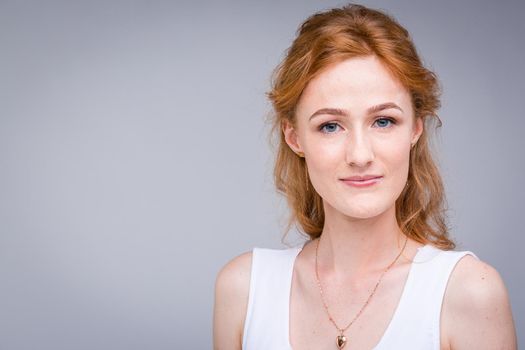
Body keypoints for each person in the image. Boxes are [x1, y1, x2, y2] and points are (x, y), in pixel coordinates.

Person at [213, 4, 517, 350]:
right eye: (330, 126)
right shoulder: (243, 289)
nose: (360, 155)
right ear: (294, 137)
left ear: (416, 128)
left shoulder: (469, 294)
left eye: (383, 121)